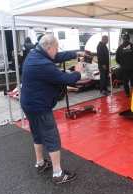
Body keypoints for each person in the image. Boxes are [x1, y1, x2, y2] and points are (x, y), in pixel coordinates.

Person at [21, 34, 86, 184]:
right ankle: (58, 174)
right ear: (48, 48)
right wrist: (77, 71)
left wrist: (76, 54)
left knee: (37, 134)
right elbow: (67, 80)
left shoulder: (36, 54)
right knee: (52, 137)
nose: (57, 52)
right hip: (39, 107)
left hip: (29, 104)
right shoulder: (43, 64)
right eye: (56, 49)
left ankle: (40, 163)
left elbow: (56, 57)